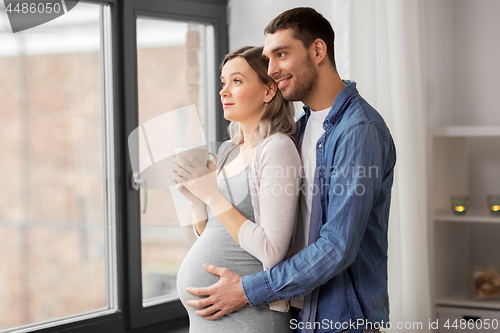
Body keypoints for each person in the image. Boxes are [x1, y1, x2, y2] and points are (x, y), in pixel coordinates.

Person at [184, 7, 397, 333]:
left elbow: (336, 247)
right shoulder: (301, 129)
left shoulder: (358, 130)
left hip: (341, 319)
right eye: (268, 59)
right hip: (302, 313)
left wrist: (247, 290)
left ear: (317, 50)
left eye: (281, 55)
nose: (272, 69)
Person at [172, 46, 302, 332]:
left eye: (237, 81)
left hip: (250, 319)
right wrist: (196, 200)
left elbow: (271, 251)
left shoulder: (277, 149)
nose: (223, 91)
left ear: (269, 91)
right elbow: (216, 234)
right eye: (223, 83)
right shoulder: (229, 150)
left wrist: (211, 195)